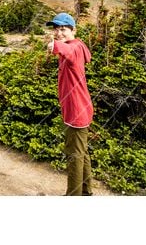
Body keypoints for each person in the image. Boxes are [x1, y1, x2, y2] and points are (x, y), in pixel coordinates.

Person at [46, 12, 93, 196]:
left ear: (73, 30)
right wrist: (58, 45)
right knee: (81, 152)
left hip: (76, 111)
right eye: (56, 29)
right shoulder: (77, 45)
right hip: (79, 109)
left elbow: (68, 51)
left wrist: (54, 45)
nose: (59, 33)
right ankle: (86, 191)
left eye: (63, 29)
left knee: (74, 155)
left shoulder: (73, 48)